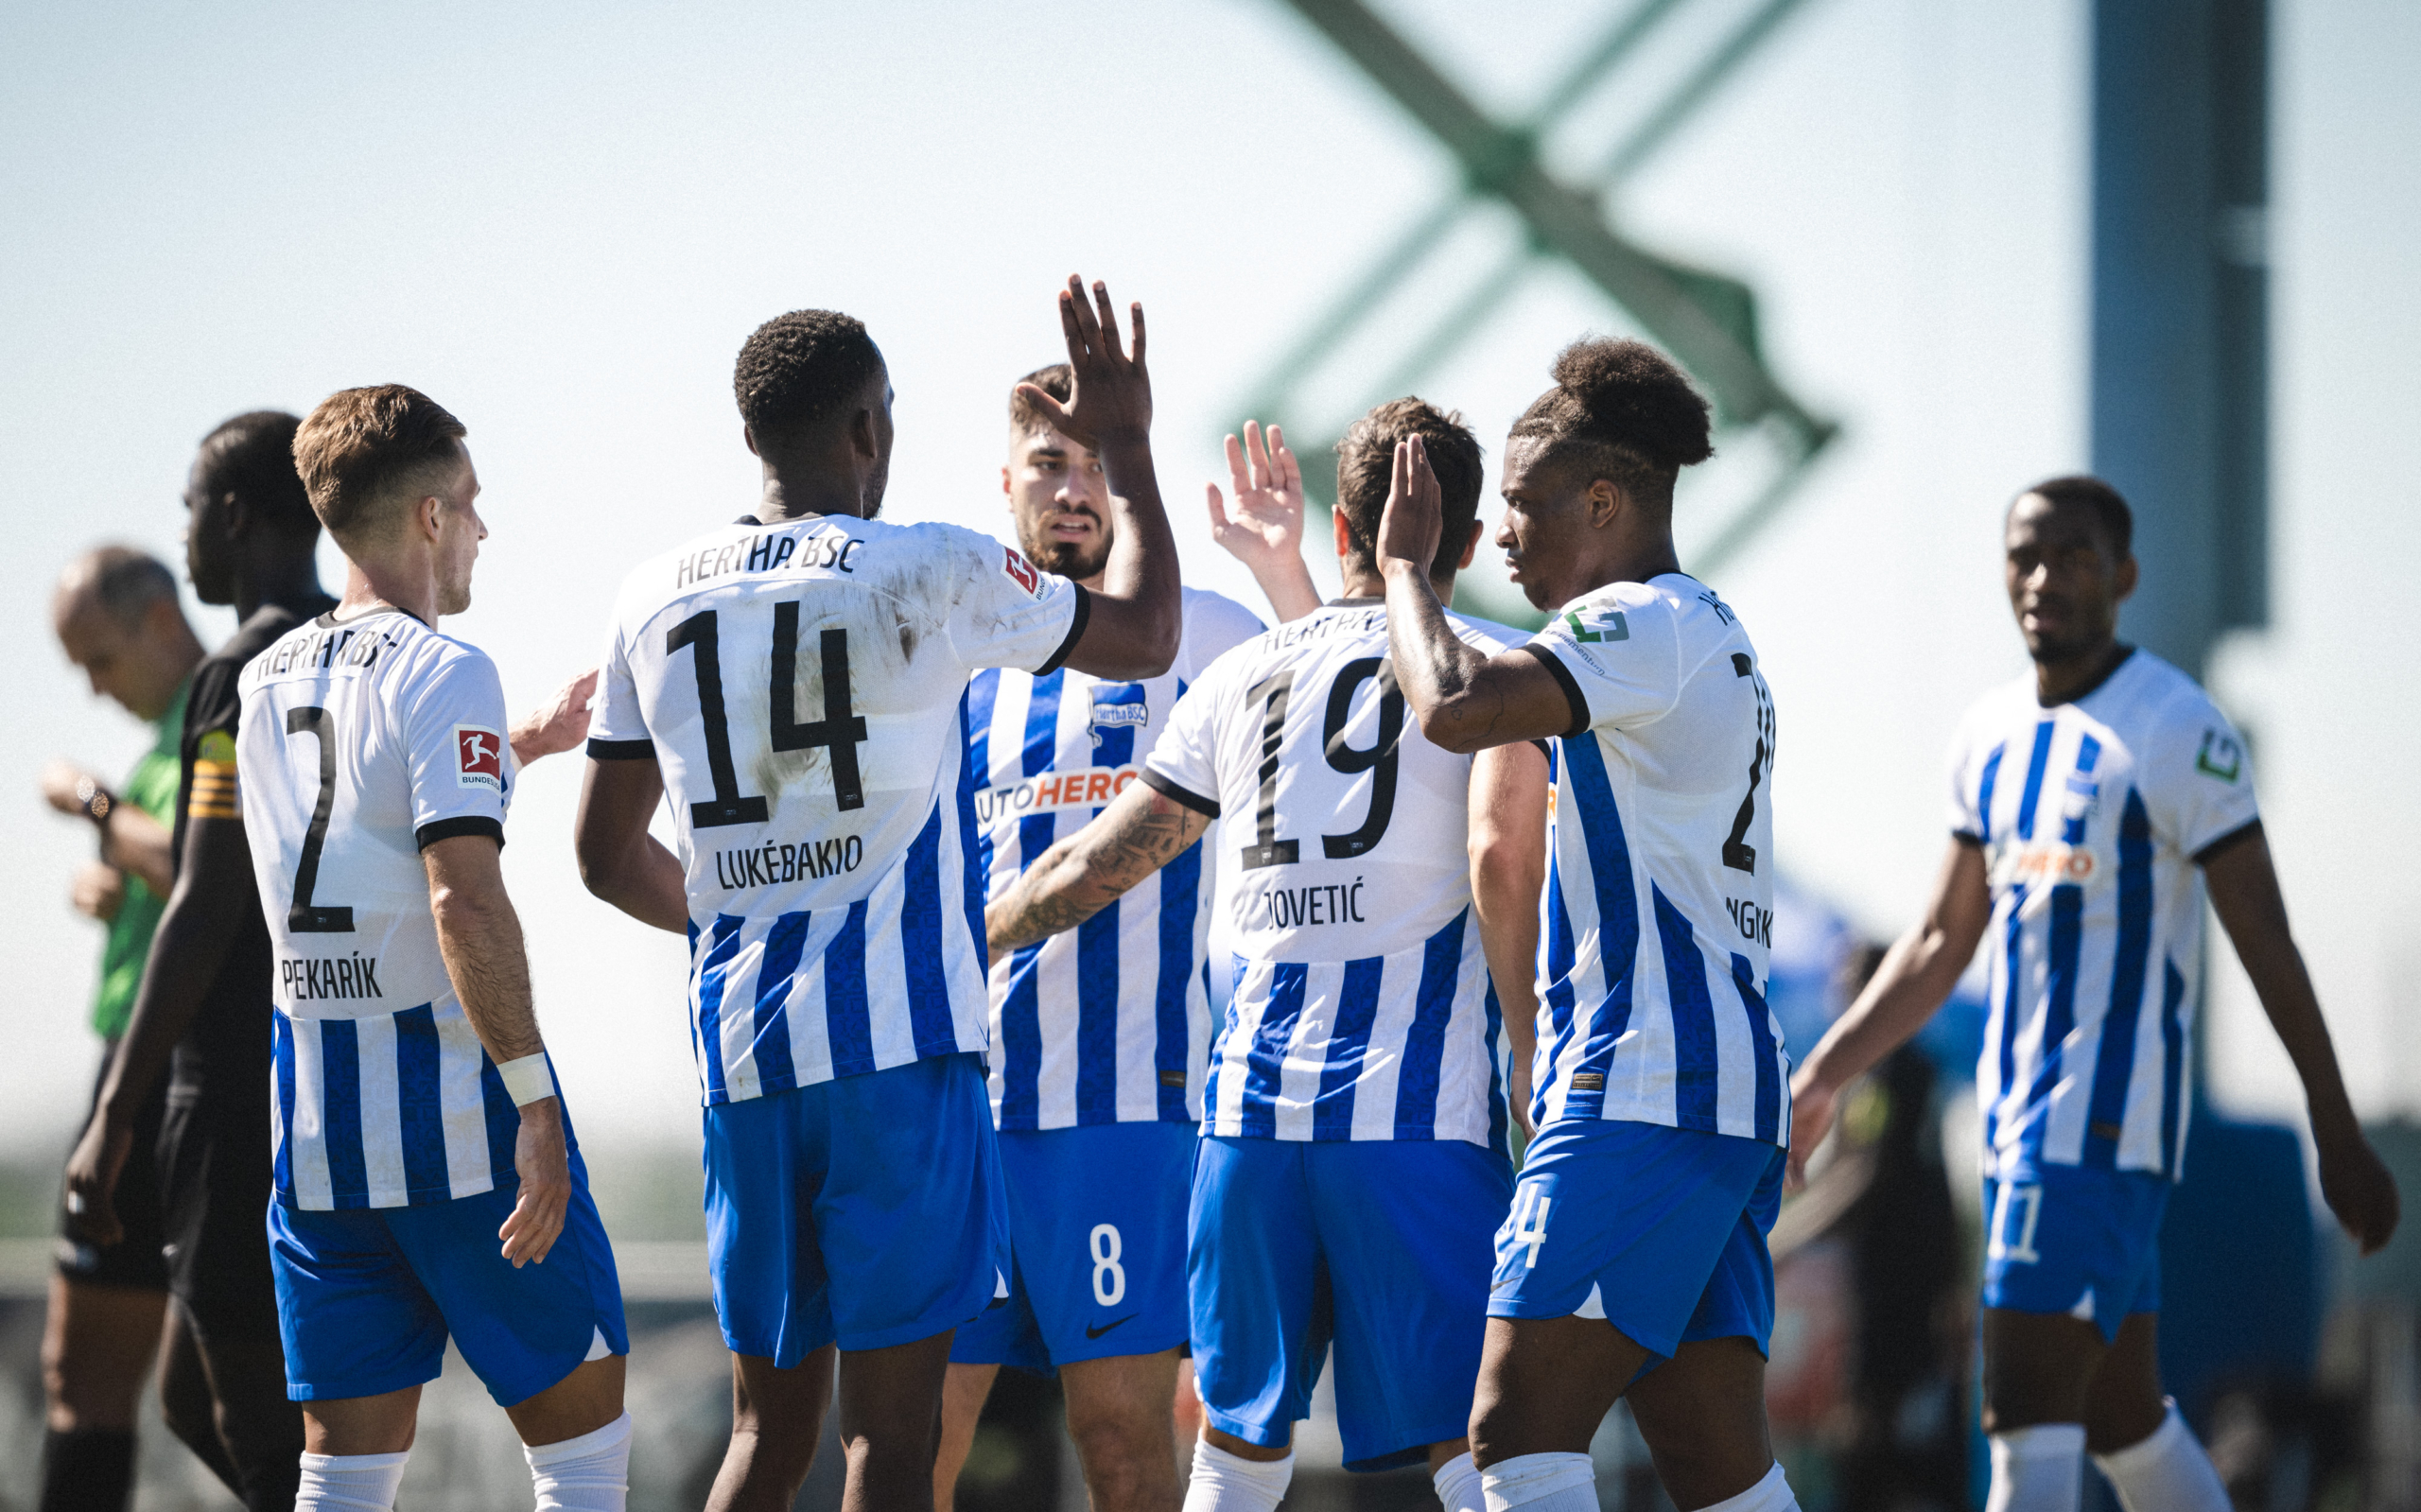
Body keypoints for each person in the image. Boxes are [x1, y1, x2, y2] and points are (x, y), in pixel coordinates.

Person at [573, 278, 1181, 1512]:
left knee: (765, 1435)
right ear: (868, 430)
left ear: (752, 436)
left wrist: (740, 920)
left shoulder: (652, 595)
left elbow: (599, 853)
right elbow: (1152, 629)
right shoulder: (929, 569)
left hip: (743, 1059)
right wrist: (1123, 444)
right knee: (889, 1449)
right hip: (899, 1062)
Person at [1785, 475, 2400, 1512]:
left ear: (2122, 577)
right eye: (2023, 556)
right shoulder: (1985, 735)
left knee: (2021, 1402)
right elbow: (1939, 939)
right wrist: (1823, 1074)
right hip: (2017, 1133)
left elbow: (2264, 936)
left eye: (2071, 556)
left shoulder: (2173, 727)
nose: (2042, 577)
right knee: (2123, 1422)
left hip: (2100, 1135)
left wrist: (2334, 1128)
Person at [984, 396, 1549, 1512]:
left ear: (1341, 527)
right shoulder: (1495, 674)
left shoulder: (1241, 674)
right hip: (1416, 1123)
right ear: (1474, 545)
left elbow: (1097, 867)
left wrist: (976, 939)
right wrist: (1532, 1054)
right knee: (1482, 1451)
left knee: (1234, 1459)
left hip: (1246, 1127)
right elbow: (1499, 856)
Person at [1372, 339, 1803, 1512]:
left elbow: (1456, 704)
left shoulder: (1639, 622)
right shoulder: (1700, 630)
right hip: (1708, 1087)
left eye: (1520, 503)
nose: (1501, 533)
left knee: (1512, 1429)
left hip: (1647, 1088)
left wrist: (1408, 571)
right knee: (1714, 1456)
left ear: (1603, 500)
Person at [933, 381, 1314, 1512]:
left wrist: (1283, 568)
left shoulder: (1204, 630)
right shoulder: (957, 663)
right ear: (1006, 485)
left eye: (1096, 464)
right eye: (1047, 463)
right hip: (963, 1109)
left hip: (1126, 1113)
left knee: (1120, 1446)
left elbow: (1347, 710)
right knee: (913, 1445)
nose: (1072, 489)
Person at [246, 383, 626, 1512]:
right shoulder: (443, 668)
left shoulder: (266, 682)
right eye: (469, 503)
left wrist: (524, 746)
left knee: (345, 1482)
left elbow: (352, 820)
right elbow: (461, 899)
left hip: (315, 1133)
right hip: (458, 1125)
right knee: (582, 1459)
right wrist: (538, 1107)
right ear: (426, 517)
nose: (482, 529)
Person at [64, 410, 338, 1512]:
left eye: (189, 506)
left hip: (228, 1089)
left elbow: (204, 898)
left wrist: (116, 1111)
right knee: (193, 1397)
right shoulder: (356, 639)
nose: (183, 534)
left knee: (272, 1449)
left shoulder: (233, 675)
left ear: (231, 512)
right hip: (330, 1074)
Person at [39, 547, 211, 1512]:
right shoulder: (164, 740)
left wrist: (96, 806)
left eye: (98, 659)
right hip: (140, 1070)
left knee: (109, 1383)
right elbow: (172, 884)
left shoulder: (212, 713)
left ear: (153, 619)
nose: (95, 689)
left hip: (159, 1081)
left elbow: (202, 863)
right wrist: (112, 892)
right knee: (88, 1379)